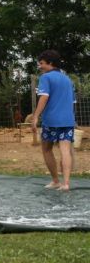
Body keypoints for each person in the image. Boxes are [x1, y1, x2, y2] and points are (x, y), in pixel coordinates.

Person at [30, 50, 76, 191]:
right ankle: (66, 184)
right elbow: (73, 102)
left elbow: (44, 98)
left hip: (51, 120)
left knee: (47, 149)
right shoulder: (68, 79)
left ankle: (55, 180)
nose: (40, 66)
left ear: (50, 63)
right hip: (68, 120)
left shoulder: (46, 77)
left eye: (42, 63)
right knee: (65, 150)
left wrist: (36, 116)